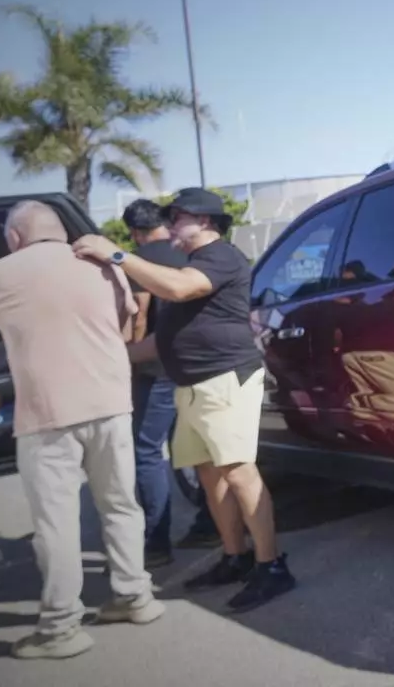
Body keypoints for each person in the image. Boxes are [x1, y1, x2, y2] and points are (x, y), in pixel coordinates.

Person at [73, 188, 295, 612]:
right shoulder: (191, 263)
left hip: (226, 379)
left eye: (177, 217)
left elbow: (179, 289)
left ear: (205, 221)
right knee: (209, 475)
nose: (170, 225)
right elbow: (162, 340)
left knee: (239, 472)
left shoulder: (220, 256)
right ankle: (235, 555)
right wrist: (108, 355)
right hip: (192, 384)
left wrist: (115, 254)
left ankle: (272, 566)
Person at [0, 201, 163, 660]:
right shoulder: (104, 265)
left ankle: (61, 628)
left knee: (56, 524)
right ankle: (135, 597)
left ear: (15, 237)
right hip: (111, 403)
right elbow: (125, 324)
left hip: (47, 415)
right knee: (121, 505)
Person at [121, 199, 220, 566]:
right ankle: (210, 524)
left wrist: (130, 362)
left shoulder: (138, 262)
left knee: (148, 451)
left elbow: (139, 316)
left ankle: (157, 543)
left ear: (135, 232)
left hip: (156, 370)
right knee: (196, 449)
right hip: (194, 365)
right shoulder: (190, 254)